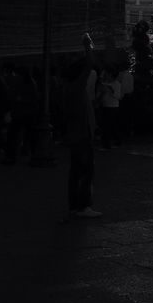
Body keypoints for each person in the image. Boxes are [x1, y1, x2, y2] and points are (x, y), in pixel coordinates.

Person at [62, 36, 100, 217]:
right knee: (85, 171)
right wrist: (88, 46)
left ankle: (75, 205)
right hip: (81, 135)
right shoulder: (76, 88)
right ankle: (83, 206)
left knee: (76, 171)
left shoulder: (68, 89)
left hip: (76, 134)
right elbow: (89, 64)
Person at [97, 65, 122, 148]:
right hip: (105, 105)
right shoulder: (104, 84)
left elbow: (118, 96)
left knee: (112, 125)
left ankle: (114, 141)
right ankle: (106, 142)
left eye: (107, 74)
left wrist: (110, 90)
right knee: (105, 125)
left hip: (113, 106)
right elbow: (100, 95)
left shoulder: (116, 84)